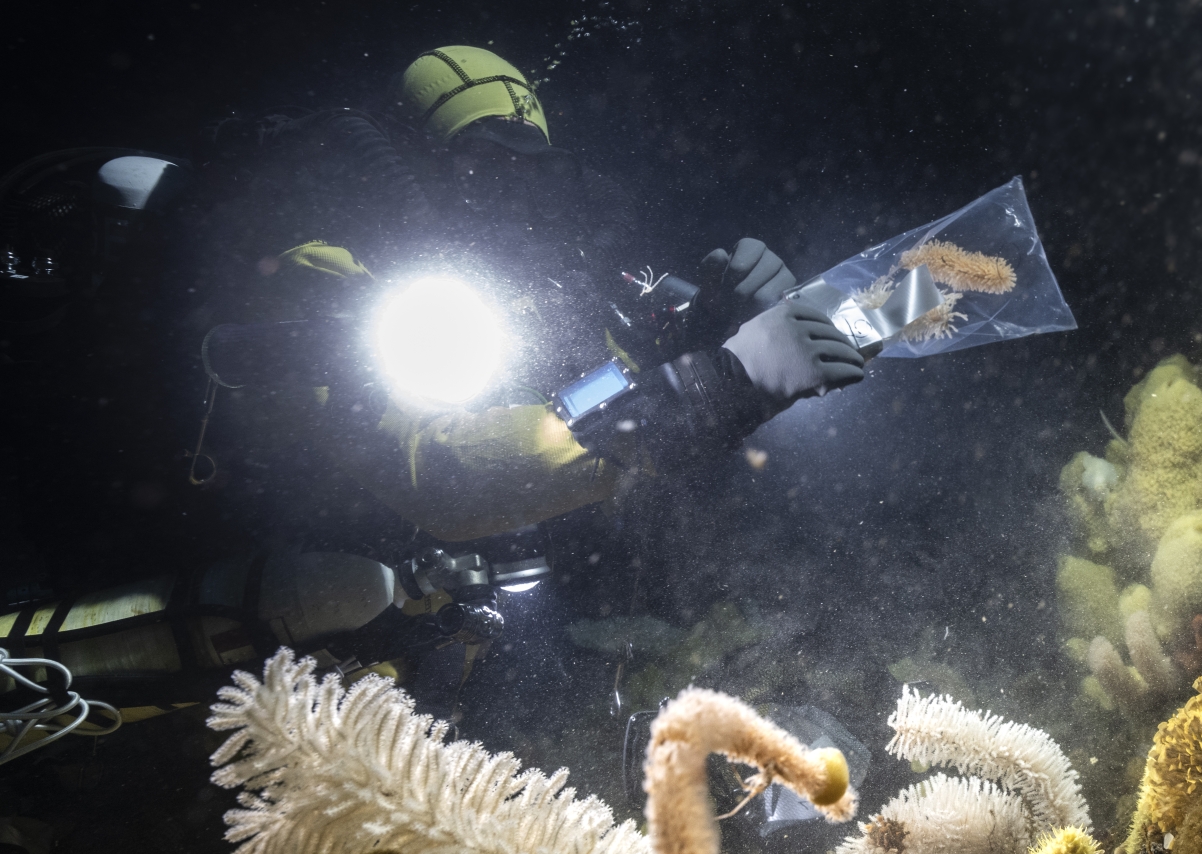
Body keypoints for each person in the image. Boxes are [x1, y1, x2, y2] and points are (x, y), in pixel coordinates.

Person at [183, 45, 865, 545]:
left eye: (527, 169)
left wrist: (697, 341)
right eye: (480, 165)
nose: (510, 198)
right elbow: (437, 473)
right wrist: (704, 393)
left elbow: (588, 395)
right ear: (408, 169)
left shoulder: (538, 282)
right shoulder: (330, 278)